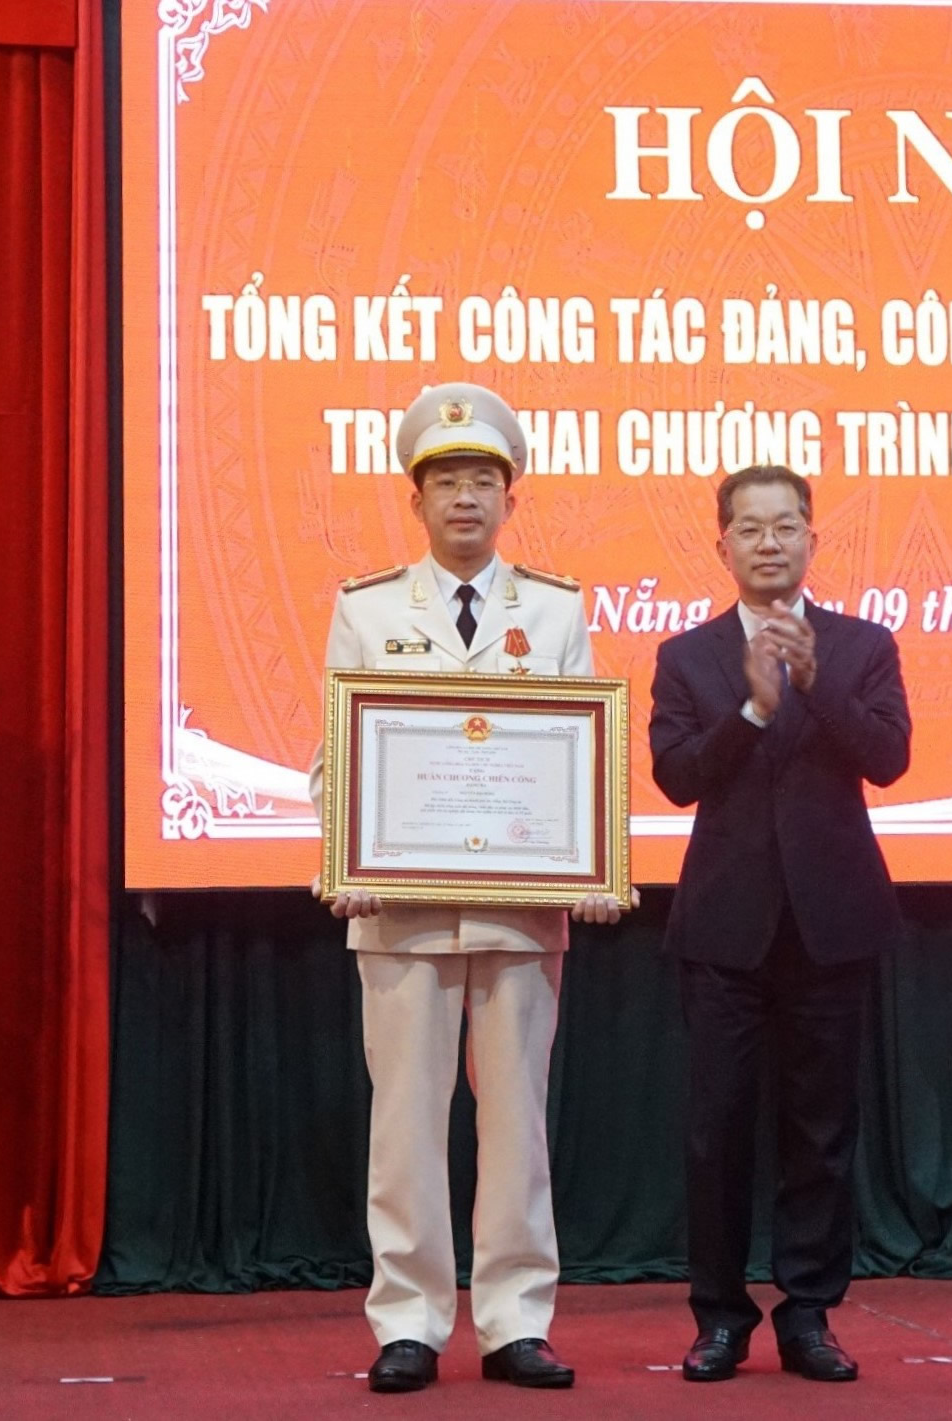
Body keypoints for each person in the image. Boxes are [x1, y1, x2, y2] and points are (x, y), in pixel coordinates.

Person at [314, 381, 628, 1394]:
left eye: (482, 479)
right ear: (417, 500)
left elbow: (586, 758)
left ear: (509, 498)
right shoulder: (366, 608)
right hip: (398, 913)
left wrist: (594, 864)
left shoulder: (556, 609)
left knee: (516, 1124)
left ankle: (513, 1320)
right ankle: (407, 1319)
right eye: (445, 479)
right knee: (403, 1125)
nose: (464, 497)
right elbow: (336, 759)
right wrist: (344, 858)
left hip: (519, 908)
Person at [648, 464, 911, 1383]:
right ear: (720, 544)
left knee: (821, 1130)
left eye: (786, 526)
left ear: (811, 539)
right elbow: (678, 776)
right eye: (750, 529)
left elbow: (887, 758)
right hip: (725, 929)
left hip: (831, 922)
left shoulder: (861, 644)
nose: (770, 543)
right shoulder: (687, 657)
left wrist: (813, 684)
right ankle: (719, 1317)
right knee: (716, 1132)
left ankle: (808, 1313)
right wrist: (757, 706)